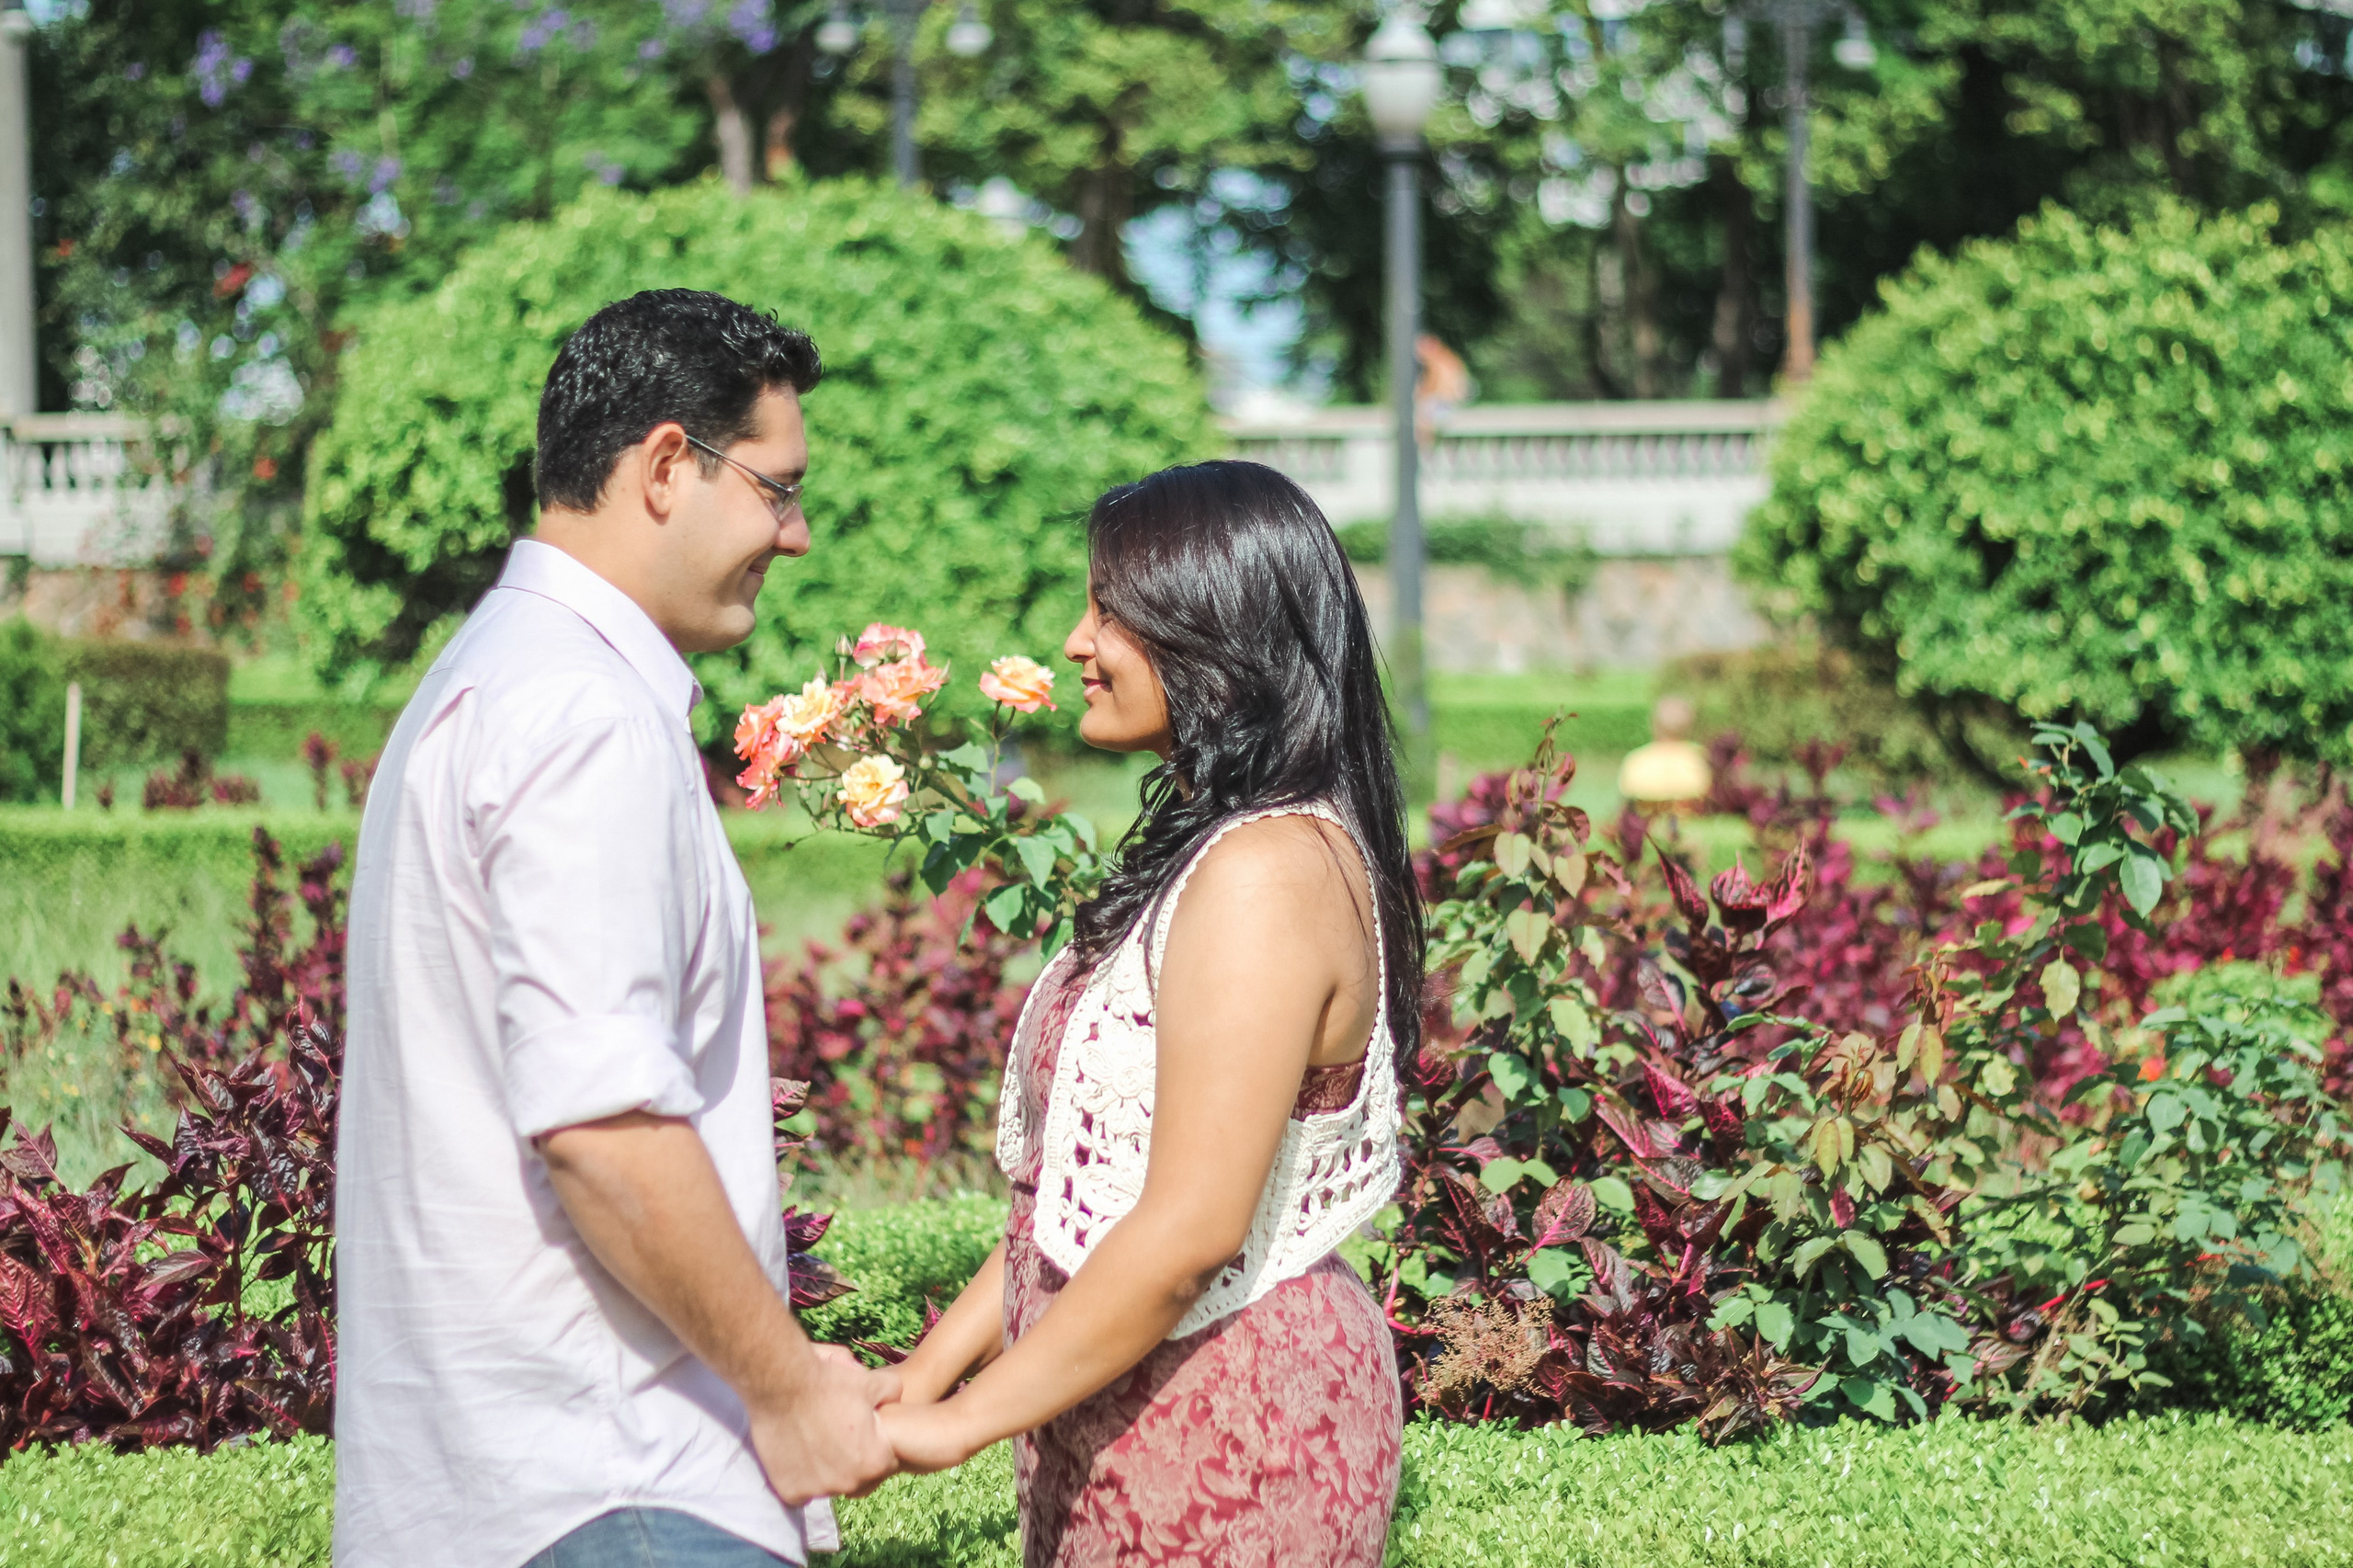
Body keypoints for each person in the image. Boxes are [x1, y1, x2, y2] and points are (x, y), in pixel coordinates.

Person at [335, 290, 899, 1568]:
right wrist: (788, 1387)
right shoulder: (583, 714)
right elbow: (602, 1125)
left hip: (509, 1487)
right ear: (664, 465)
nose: (795, 535)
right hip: (616, 1492)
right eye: (775, 488)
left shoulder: (489, 675)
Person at [879, 460, 1420, 1566]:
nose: (1078, 640)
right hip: (1122, 1397)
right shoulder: (1215, 847)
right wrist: (921, 1376)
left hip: (1229, 1424)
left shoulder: (1268, 869)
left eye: (1111, 610)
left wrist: (958, 1425)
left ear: (1213, 632)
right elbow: (1080, 1198)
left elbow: (1186, 1232)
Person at [1617, 693, 1713, 812]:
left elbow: (1627, 805)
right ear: (1689, 726)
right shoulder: (1703, 758)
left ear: (1654, 724)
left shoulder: (1635, 760)